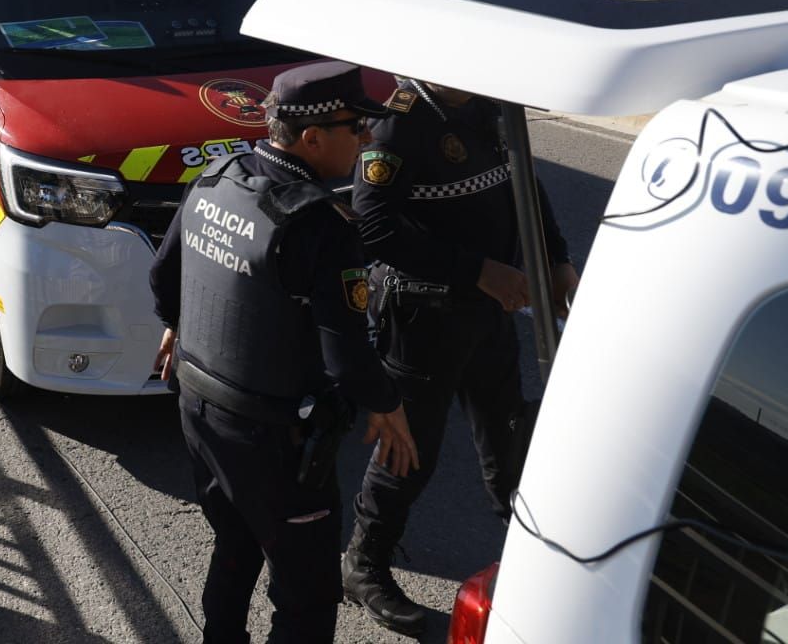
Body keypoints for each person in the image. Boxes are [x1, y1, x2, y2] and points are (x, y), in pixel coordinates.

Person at [150, 61, 418, 643]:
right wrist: (388, 403)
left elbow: (164, 275)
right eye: (357, 127)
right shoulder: (319, 225)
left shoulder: (217, 176)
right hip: (273, 438)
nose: (368, 138)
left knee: (236, 543)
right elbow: (346, 356)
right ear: (313, 137)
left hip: (199, 409)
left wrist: (176, 325)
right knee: (307, 598)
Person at [341, 77, 579, 636]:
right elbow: (373, 224)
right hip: (424, 316)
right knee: (408, 447)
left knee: (507, 434)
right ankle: (364, 565)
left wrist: (556, 255)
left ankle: (535, 558)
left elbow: (524, 182)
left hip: (488, 311)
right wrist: (477, 270)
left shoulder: (490, 102)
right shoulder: (397, 122)